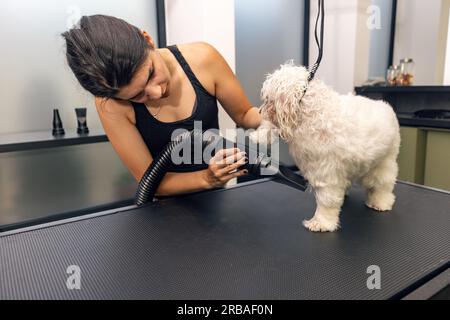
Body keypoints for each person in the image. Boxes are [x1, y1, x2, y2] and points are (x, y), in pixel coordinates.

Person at [62, 15, 261, 196]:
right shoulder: (111, 105)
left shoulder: (203, 58)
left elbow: (245, 115)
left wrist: (279, 113)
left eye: (151, 74)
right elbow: (151, 180)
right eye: (138, 95)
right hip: (164, 209)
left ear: (148, 39)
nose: (156, 93)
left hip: (217, 198)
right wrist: (207, 178)